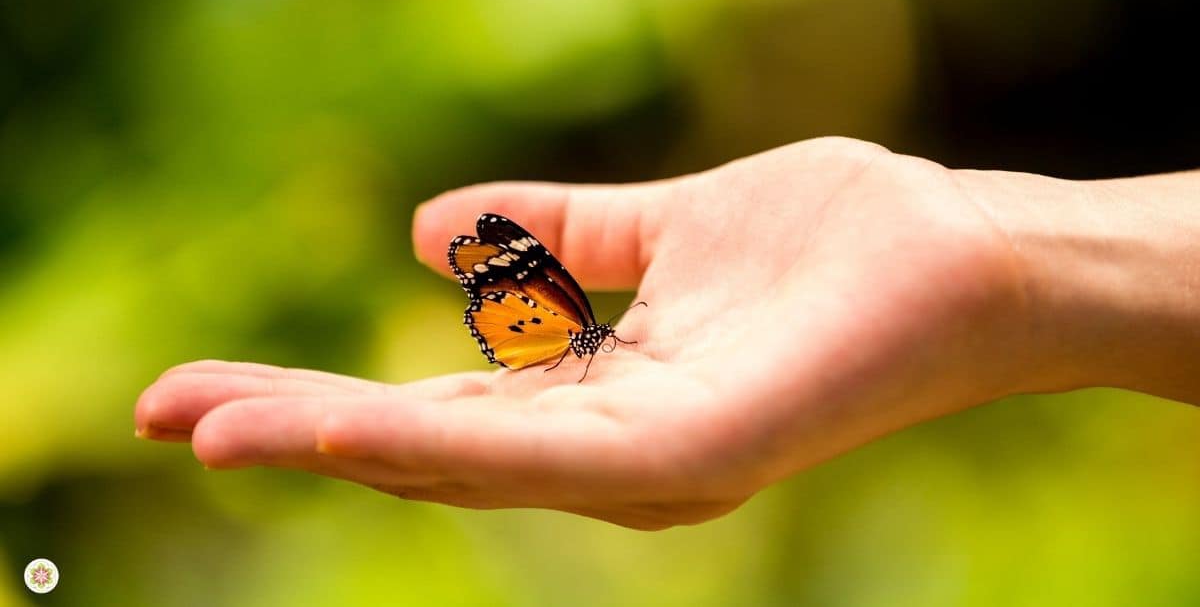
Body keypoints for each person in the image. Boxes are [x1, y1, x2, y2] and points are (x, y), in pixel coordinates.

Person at [133, 136, 1200, 530]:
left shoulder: (587, 333)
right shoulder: (566, 317)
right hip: (542, 343)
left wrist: (1005, 262)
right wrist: (1015, 265)